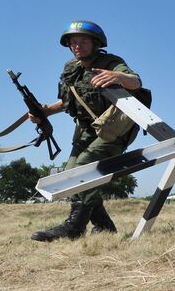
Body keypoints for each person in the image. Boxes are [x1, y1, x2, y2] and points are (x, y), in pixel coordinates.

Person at [30, 21, 143, 242]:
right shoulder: (71, 68)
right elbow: (67, 101)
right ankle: (104, 225)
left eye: (82, 41)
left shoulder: (111, 62)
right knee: (69, 175)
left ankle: (75, 227)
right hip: (84, 132)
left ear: (96, 43)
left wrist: (119, 77)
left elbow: (136, 82)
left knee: (83, 169)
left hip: (112, 130)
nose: (77, 46)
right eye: (73, 42)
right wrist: (44, 112)